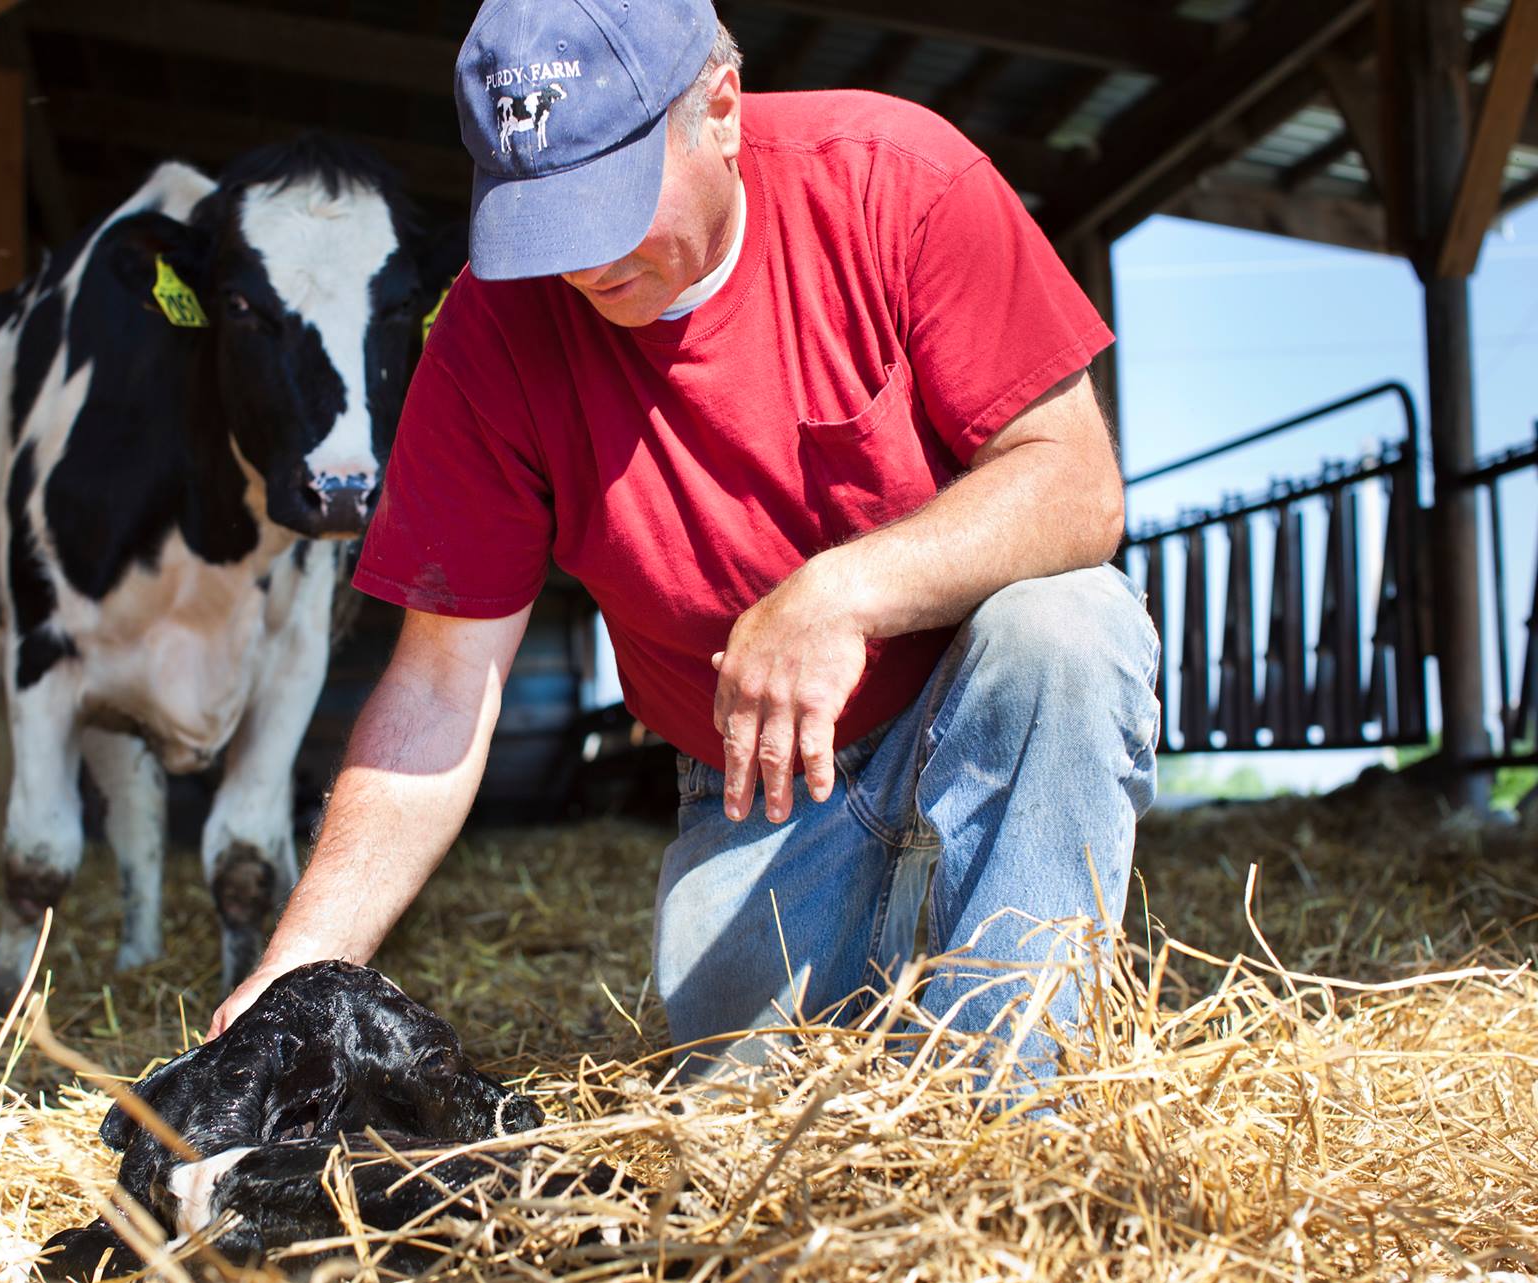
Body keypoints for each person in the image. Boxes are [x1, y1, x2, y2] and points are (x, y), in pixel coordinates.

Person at [210, 0, 1160, 1084]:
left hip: (975, 719)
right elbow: (437, 690)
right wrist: (290, 985)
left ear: (718, 111)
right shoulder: (490, 333)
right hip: (758, 791)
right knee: (741, 1108)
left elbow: (1075, 482)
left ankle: (1011, 1119)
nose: (580, 263)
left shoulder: (894, 181)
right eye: (539, 217)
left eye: (606, 201)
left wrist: (841, 592)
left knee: (1066, 626)